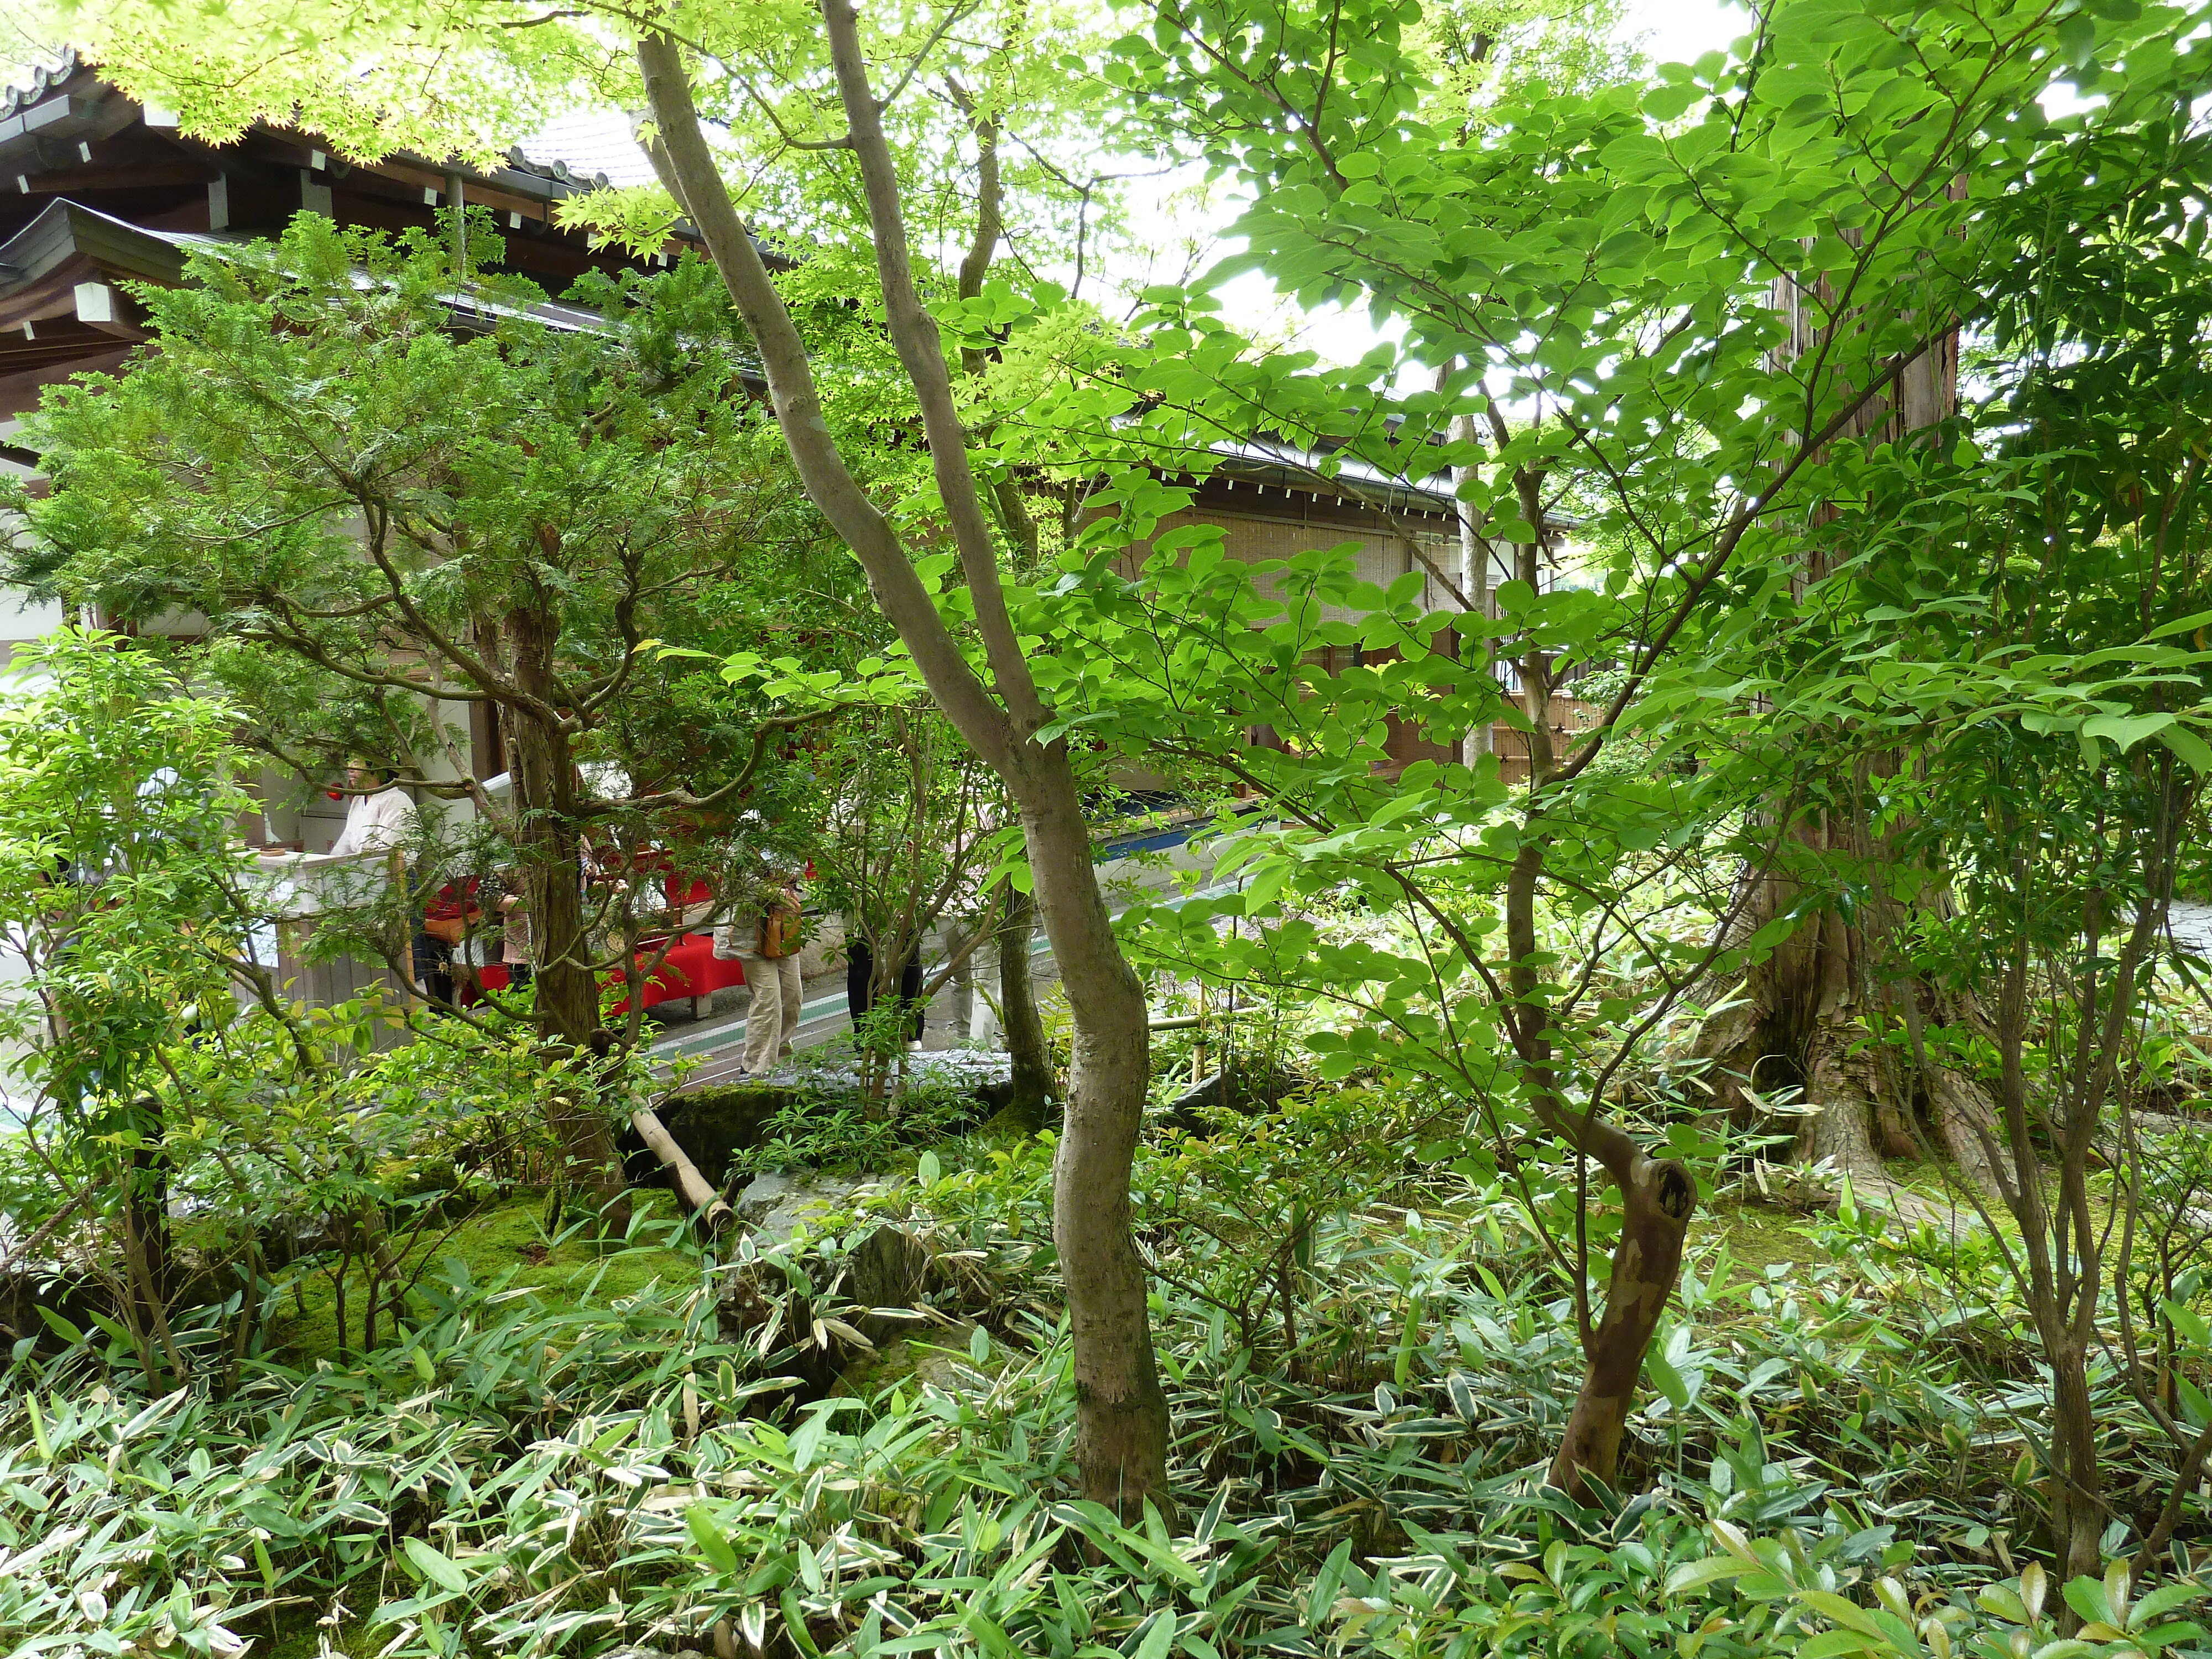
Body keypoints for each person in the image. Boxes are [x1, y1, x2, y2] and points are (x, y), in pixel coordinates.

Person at [715, 872, 804, 1076]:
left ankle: (780, 1060)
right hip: (748, 931)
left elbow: (801, 864)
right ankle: (756, 1068)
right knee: (768, 1002)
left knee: (792, 997)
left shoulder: (790, 840)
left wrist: (789, 877)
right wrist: (774, 890)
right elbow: (743, 881)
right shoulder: (741, 846)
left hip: (782, 926)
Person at [326, 762, 415, 858]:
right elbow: (345, 844)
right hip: (362, 867)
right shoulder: (359, 799)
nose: (350, 769)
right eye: (348, 761)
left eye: (356, 763)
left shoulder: (396, 800)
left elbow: (388, 852)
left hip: (385, 870)